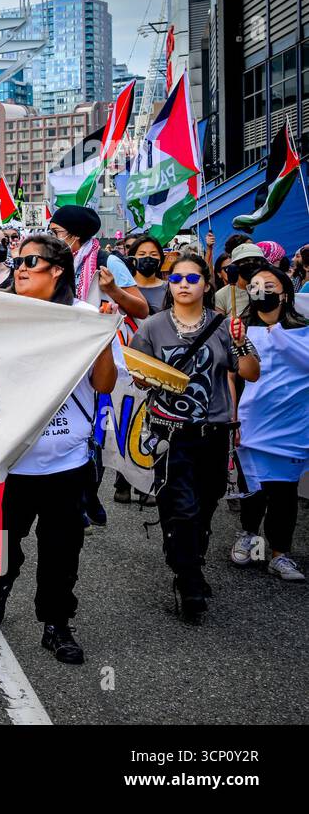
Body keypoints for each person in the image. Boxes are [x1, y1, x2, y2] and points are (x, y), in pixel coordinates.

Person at [0, 234, 120, 664]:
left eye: (31, 261)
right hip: (8, 462)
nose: (19, 267)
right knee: (0, 544)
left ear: (58, 269)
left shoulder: (86, 317)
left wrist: (104, 338)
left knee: (61, 551)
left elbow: (104, 385)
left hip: (66, 462)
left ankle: (56, 624)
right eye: (17, 260)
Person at [130, 255, 260, 621]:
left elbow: (250, 373)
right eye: (176, 278)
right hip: (171, 435)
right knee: (181, 508)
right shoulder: (152, 328)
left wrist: (240, 342)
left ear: (207, 284)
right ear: (170, 285)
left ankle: (190, 562)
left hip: (215, 432)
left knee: (205, 507)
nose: (183, 283)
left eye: (192, 277)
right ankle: (187, 581)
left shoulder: (223, 326)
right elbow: (138, 377)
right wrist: (148, 377)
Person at [231, 264, 309, 581]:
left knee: (284, 492)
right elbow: (232, 377)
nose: (261, 288)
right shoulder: (240, 329)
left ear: (285, 292)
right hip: (251, 423)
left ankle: (280, 554)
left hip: (291, 426)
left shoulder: (302, 330)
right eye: (255, 284)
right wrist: (232, 417)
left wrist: (277, 333)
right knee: (253, 488)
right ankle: (250, 536)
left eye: (269, 283)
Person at [47, 205, 148, 319]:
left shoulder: (109, 262)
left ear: (76, 234)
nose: (52, 238)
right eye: (50, 232)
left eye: (56, 232)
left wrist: (113, 290)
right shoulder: (56, 262)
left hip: (101, 332)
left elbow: (143, 310)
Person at [215, 242, 265, 319]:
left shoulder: (269, 289)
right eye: (245, 261)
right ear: (235, 266)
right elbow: (220, 327)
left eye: (256, 260)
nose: (251, 264)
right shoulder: (221, 296)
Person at [128, 235, 168, 315]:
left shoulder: (169, 289)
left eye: (153, 254)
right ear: (132, 259)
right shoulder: (124, 288)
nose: (148, 258)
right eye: (142, 254)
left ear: (160, 260)